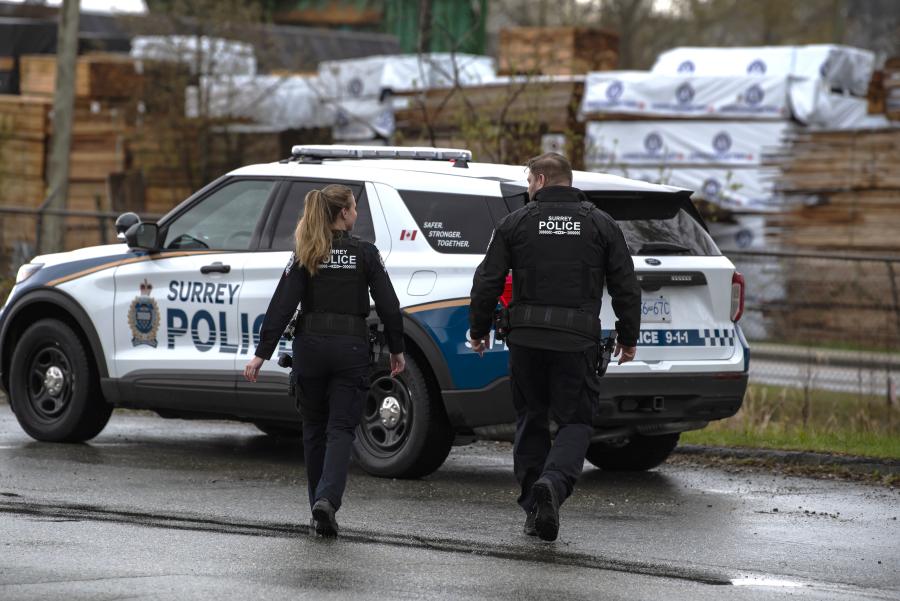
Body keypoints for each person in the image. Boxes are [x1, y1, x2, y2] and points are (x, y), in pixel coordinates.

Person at [468, 153, 640, 542]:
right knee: (575, 421)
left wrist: (478, 330)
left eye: (529, 181)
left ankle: (534, 505)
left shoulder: (515, 223)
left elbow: (487, 281)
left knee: (530, 417)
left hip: (526, 340)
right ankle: (553, 484)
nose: (527, 189)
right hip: (576, 342)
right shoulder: (600, 224)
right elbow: (626, 285)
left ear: (542, 179)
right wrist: (629, 337)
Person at [244, 184, 405, 538]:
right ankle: (328, 500)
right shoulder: (364, 253)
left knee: (314, 428)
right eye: (353, 208)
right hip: (350, 350)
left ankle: (317, 504)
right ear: (344, 214)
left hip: (310, 349)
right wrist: (397, 347)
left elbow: (282, 304)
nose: (356, 213)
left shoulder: (307, 251)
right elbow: (389, 304)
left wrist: (261, 353)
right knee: (341, 429)